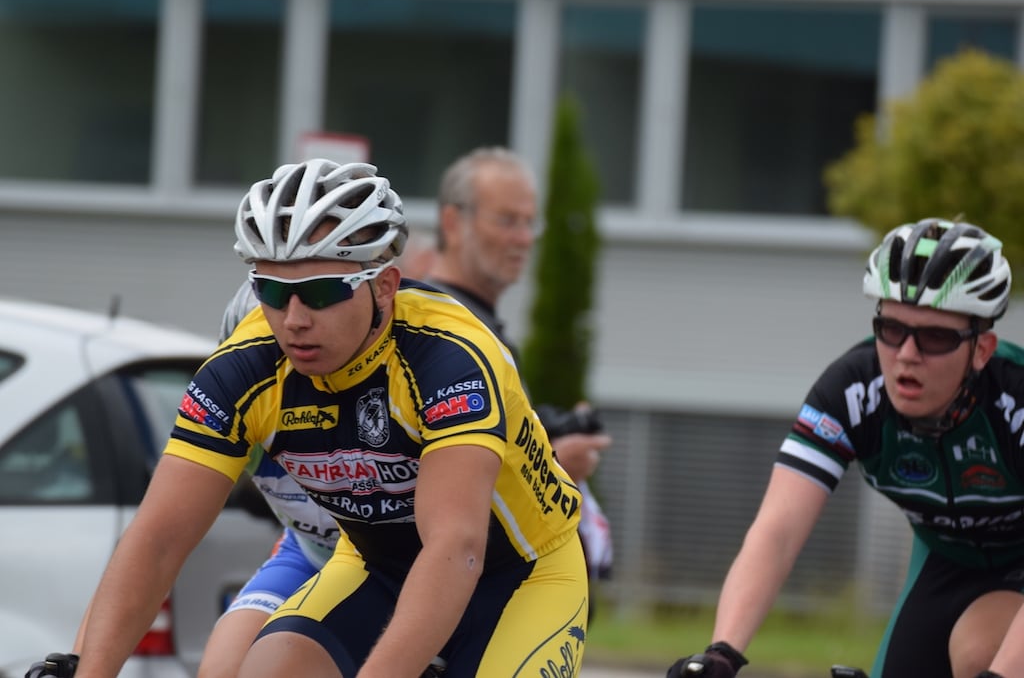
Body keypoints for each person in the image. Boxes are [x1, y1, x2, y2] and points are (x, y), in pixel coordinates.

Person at [59, 158, 588, 678]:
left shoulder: (449, 356)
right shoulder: (244, 367)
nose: (294, 320)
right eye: (271, 290)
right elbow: (157, 542)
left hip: (518, 576)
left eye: (321, 292)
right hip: (374, 566)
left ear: (384, 286)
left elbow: (457, 546)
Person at [667, 218, 1024, 678]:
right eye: (891, 329)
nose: (907, 354)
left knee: (980, 654)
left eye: (935, 337)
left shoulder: (1014, 399)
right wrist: (723, 653)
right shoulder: (852, 391)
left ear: (981, 350)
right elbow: (777, 532)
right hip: (945, 560)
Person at [421, 145, 614, 581]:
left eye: (530, 223)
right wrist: (553, 466)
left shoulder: (477, 321)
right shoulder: (439, 324)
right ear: (452, 223)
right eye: (507, 220)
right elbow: (437, 475)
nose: (525, 238)